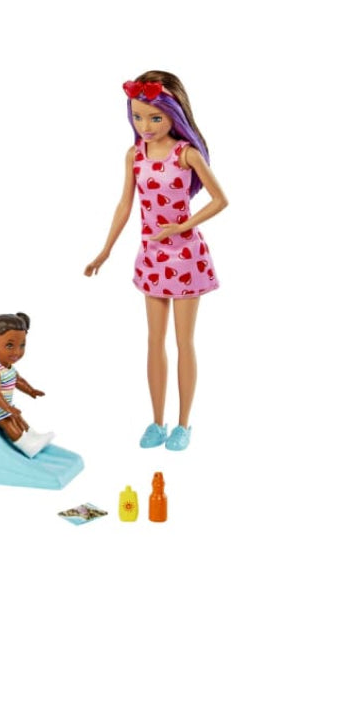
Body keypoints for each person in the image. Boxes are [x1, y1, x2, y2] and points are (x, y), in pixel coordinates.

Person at [84, 71, 228, 451]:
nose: (144, 126)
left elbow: (220, 200)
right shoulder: (135, 156)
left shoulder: (186, 154)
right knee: (153, 341)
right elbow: (124, 205)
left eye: (154, 118)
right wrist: (105, 250)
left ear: (173, 114)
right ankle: (157, 421)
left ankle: (183, 424)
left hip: (186, 257)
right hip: (151, 256)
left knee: (184, 342)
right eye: (137, 117)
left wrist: (182, 225)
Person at [0, 310, 54, 457]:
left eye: (22, 345)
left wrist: (31, 390)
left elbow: (18, 381)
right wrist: (8, 408)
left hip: (4, 406)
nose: (17, 352)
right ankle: (27, 446)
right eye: (10, 346)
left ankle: (33, 436)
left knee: (18, 418)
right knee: (8, 422)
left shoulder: (10, 368)